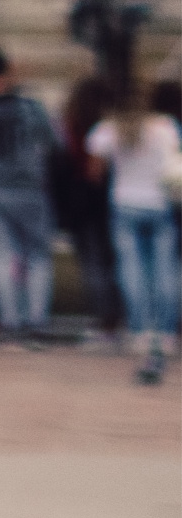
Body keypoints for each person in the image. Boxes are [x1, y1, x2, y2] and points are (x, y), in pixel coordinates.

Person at [0, 46, 64, 343]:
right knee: (38, 256)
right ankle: (37, 320)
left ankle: (10, 320)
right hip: (31, 188)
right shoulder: (31, 107)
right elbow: (54, 144)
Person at [93, 82, 180, 386]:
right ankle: (166, 332)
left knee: (132, 270)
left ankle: (140, 330)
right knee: (165, 270)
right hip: (159, 204)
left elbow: (95, 170)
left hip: (125, 203)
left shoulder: (109, 130)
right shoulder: (165, 127)